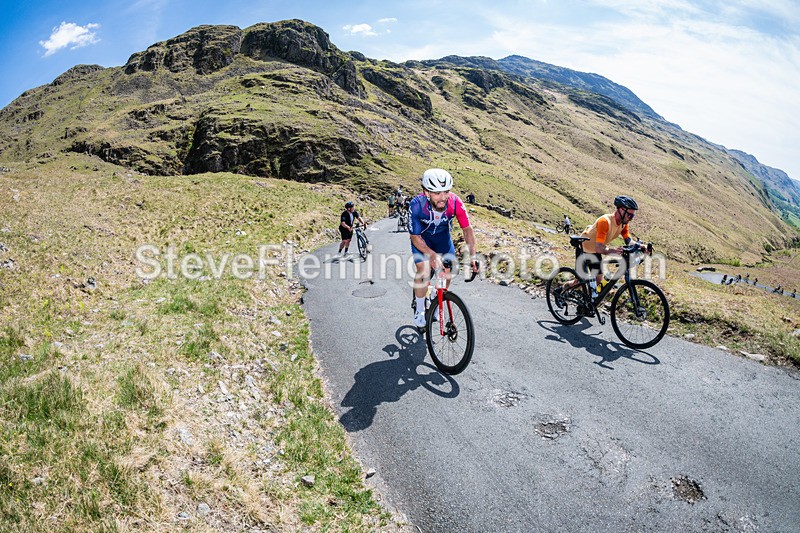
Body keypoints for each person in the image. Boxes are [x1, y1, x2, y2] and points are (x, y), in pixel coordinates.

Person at [408, 168, 478, 328]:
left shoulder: (455, 202)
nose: (443, 198)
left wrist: (472, 256)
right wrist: (432, 256)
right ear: (426, 192)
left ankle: (434, 295)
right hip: (422, 240)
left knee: (448, 272)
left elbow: (467, 230)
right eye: (436, 193)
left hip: (442, 238)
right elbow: (415, 237)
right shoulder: (417, 205)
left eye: (446, 191)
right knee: (424, 272)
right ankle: (419, 310)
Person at [569, 195, 643, 293]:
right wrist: (614, 251)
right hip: (584, 248)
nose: (631, 218)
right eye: (630, 215)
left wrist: (641, 246)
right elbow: (600, 248)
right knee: (578, 283)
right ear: (621, 210)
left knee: (598, 285)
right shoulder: (605, 221)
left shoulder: (623, 224)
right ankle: (561, 290)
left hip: (595, 251)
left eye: (632, 216)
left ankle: (587, 303)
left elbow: (629, 241)